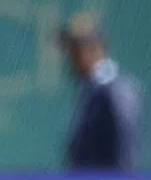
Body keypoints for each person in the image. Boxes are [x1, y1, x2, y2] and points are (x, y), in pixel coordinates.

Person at [58, 12, 143, 171]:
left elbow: (126, 149)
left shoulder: (115, 91)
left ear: (93, 48)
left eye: (75, 49)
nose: (70, 58)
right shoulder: (92, 91)